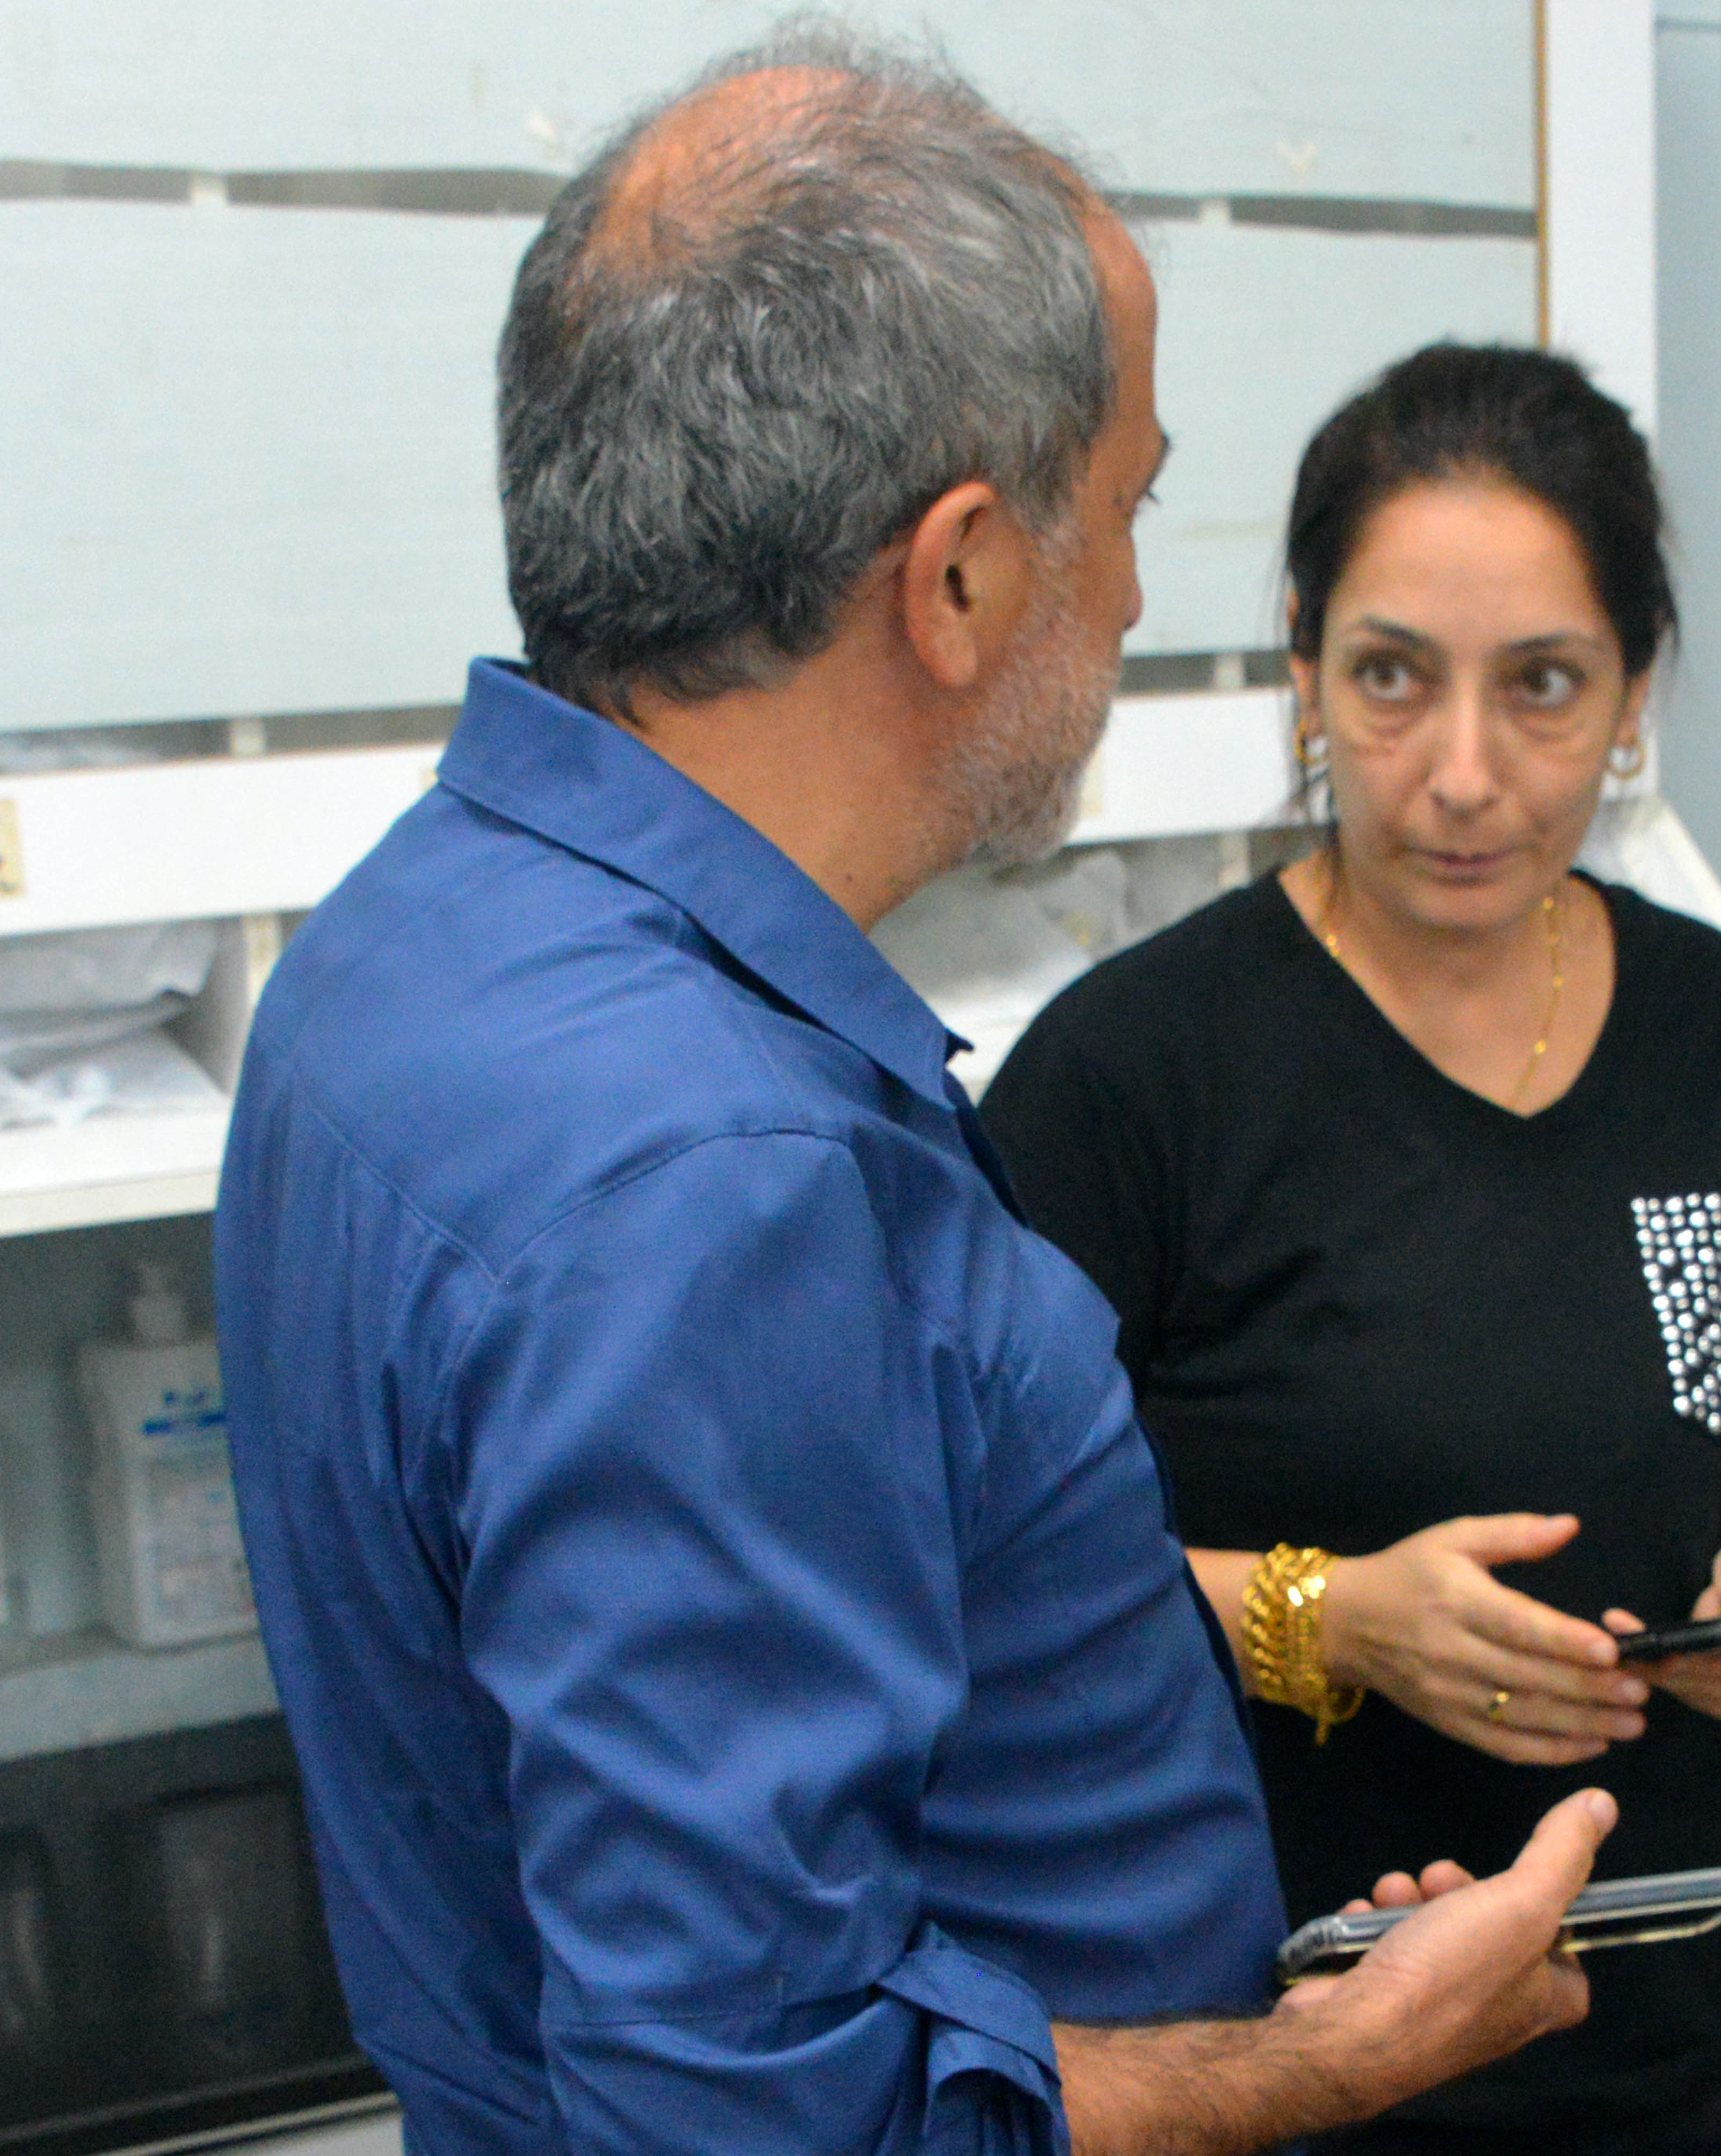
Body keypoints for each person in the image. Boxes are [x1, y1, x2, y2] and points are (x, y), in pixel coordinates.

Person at [212, 37, 1616, 2156]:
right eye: (1125, 508)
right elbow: (755, 2116)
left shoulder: (406, 942)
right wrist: (1337, 2056)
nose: (1128, 596)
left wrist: (1293, 1673)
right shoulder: (713, 1175)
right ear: (957, 577)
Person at [982, 343, 1721, 2155]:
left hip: (1678, 2054)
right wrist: (1326, 1620)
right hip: (1274, 2064)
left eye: (1541, 686)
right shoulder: (1134, 1074)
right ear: (1305, 670)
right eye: (1393, 677)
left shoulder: (1713, 1024)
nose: (1462, 775)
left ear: (1630, 695)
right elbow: (966, 1581)